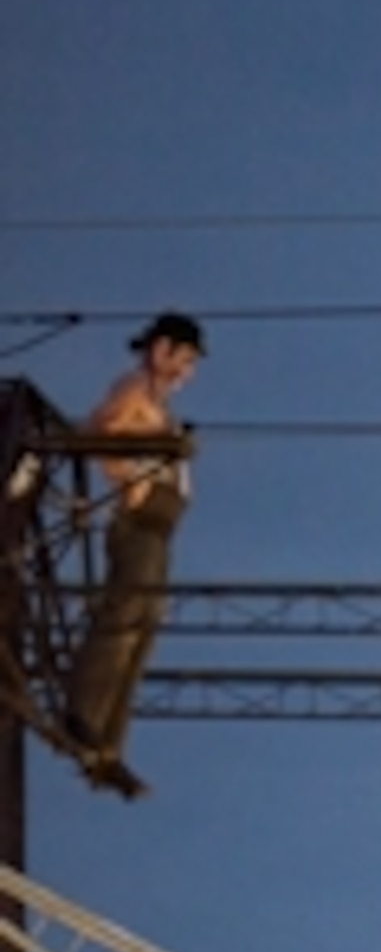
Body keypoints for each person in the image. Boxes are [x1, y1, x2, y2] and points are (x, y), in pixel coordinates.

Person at [65, 311, 206, 799]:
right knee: (124, 618)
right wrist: (130, 481)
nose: (187, 371)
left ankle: (107, 747)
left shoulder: (159, 406)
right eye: (184, 358)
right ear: (161, 349)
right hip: (140, 524)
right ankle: (84, 715)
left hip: (160, 529)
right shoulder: (134, 390)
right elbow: (100, 430)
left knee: (142, 633)